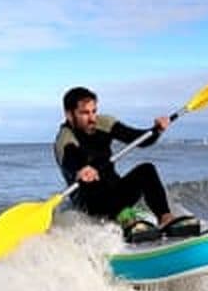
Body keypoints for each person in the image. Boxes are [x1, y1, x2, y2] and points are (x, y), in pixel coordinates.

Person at [53, 86, 198, 242]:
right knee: (94, 183)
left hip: (116, 193)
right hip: (91, 204)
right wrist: (81, 170)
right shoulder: (64, 138)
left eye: (94, 111)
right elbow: (70, 159)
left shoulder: (104, 123)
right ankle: (129, 222)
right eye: (85, 113)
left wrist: (157, 130)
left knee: (146, 170)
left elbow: (140, 139)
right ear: (69, 115)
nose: (92, 118)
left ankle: (166, 219)